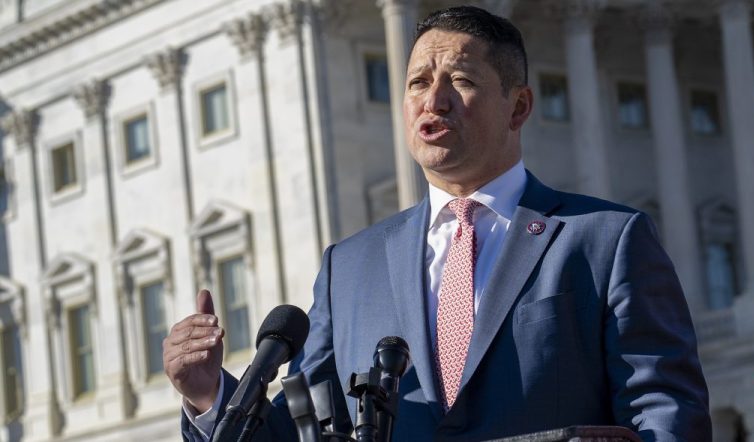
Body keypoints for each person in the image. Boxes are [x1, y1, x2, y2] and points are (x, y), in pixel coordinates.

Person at [164, 6, 711, 441]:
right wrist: (209, 393)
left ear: (518, 107)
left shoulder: (606, 239)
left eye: (461, 81)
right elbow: (294, 428)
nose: (435, 99)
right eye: (417, 82)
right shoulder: (348, 268)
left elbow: (665, 414)